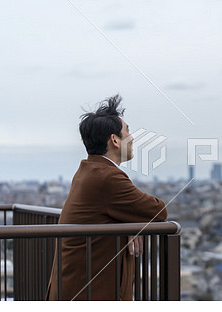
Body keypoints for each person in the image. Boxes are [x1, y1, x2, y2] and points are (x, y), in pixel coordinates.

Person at [46, 94, 168, 300]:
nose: (132, 137)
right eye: (127, 130)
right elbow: (158, 211)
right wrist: (131, 219)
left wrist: (129, 221)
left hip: (74, 288)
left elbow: (114, 209)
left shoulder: (89, 170)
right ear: (115, 140)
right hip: (88, 295)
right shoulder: (106, 176)